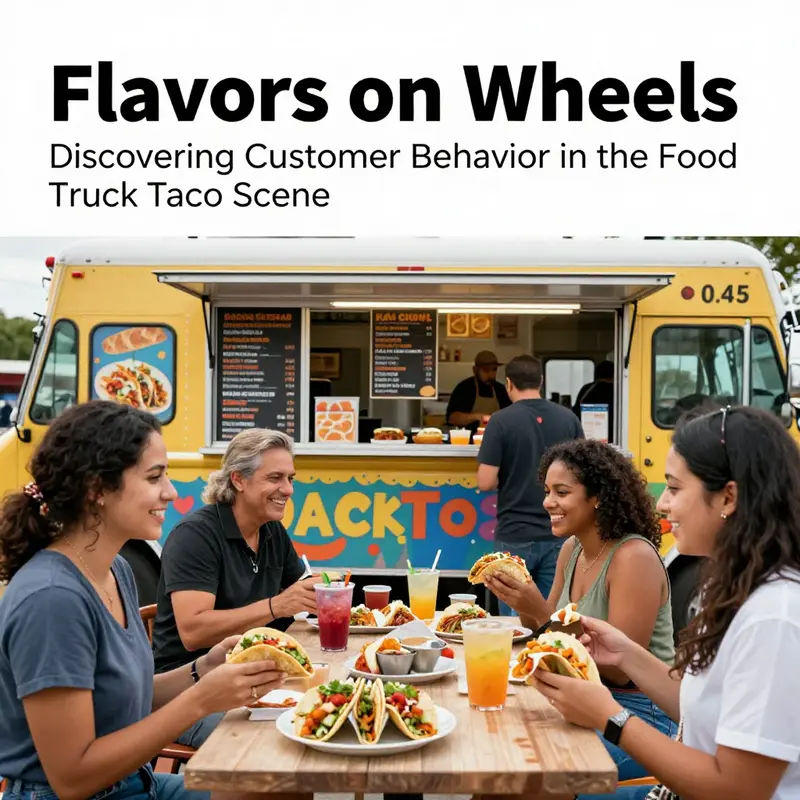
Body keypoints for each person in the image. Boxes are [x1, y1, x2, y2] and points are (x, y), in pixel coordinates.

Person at [0, 401, 286, 800]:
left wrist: (204, 667)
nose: (170, 491)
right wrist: (201, 701)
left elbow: (124, 696)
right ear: (97, 489)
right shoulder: (52, 600)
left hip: (136, 785)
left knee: (278, 788)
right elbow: (72, 778)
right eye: (154, 477)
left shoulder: (115, 570)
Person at [531, 405, 800, 799]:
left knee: (534, 784)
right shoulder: (733, 588)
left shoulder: (773, 617)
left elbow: (739, 790)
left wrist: (612, 717)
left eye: (674, 488)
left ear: (728, 498)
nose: (661, 504)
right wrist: (624, 654)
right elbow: (698, 706)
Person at [485, 438, 676, 787]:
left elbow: (618, 672)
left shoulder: (633, 557)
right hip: (581, 698)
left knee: (525, 777)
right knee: (495, 760)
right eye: (546, 491)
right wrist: (519, 599)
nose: (548, 503)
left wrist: (539, 611)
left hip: (640, 714)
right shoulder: (571, 549)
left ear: (598, 497)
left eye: (561, 492)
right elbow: (545, 633)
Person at [151, 427, 318, 748]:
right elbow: (193, 631)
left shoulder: (272, 531)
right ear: (238, 480)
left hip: (255, 677)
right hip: (186, 688)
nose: (288, 489)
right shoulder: (195, 536)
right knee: (282, 741)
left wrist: (321, 597)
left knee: (322, 713)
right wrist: (277, 605)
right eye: (275, 478)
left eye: (290, 478)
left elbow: (299, 597)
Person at [477, 354, 583, 602]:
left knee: (515, 624)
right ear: (541, 381)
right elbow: (582, 474)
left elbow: (486, 481)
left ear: (509, 384)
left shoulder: (501, 421)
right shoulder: (568, 418)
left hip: (514, 533)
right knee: (552, 615)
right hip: (560, 532)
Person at [445, 350, 511, 433]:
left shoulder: (501, 390)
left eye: (494, 369)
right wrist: (478, 417)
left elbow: (510, 417)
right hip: (468, 441)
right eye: (486, 370)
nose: (491, 374)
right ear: (475, 370)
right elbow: (452, 418)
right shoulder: (465, 388)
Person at [573, 360, 615, 441]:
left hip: (587, 436)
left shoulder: (587, 389)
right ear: (614, 374)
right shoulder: (619, 391)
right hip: (613, 437)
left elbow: (576, 411)